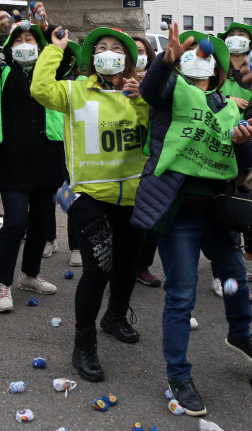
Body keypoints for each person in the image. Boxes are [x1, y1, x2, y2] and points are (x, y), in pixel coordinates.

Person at [132, 25, 252, 417]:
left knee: (237, 279)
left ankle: (241, 334)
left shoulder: (230, 107)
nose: (199, 58)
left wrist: (242, 143)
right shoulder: (170, 93)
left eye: (206, 57)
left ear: (218, 71)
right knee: (182, 294)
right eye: (191, 56)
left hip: (218, 213)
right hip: (179, 212)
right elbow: (151, 90)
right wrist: (164, 61)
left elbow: (241, 165)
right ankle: (178, 374)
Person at [31, 26, 149, 383]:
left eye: (117, 48)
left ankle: (114, 318)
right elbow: (39, 89)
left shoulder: (141, 94)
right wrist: (54, 50)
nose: (109, 53)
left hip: (133, 196)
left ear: (128, 60)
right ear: (92, 58)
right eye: (101, 48)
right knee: (98, 270)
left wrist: (142, 98)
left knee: (127, 266)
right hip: (87, 196)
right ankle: (84, 344)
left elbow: (155, 131)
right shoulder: (74, 90)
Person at [0, 7, 64, 313]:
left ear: (40, 47)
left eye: (31, 40)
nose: (25, 44)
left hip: (47, 156)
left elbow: (68, 58)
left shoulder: (50, 72)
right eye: (19, 40)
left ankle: (30, 274)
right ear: (11, 48)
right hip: (13, 158)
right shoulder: (4, 73)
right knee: (15, 222)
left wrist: (45, 26)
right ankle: (3, 283)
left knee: (40, 222)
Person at [45, 40, 84, 267]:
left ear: (71, 60)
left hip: (74, 146)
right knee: (47, 194)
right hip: (47, 144)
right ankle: (49, 238)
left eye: (63, 57)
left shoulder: (81, 82)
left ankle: (76, 245)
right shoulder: (44, 80)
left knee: (71, 194)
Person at [131, 36, 162, 289]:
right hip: (125, 159)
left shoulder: (161, 81)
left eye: (141, 51)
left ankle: (142, 267)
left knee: (150, 220)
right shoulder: (118, 81)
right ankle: (120, 266)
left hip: (153, 158)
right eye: (133, 51)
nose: (138, 55)